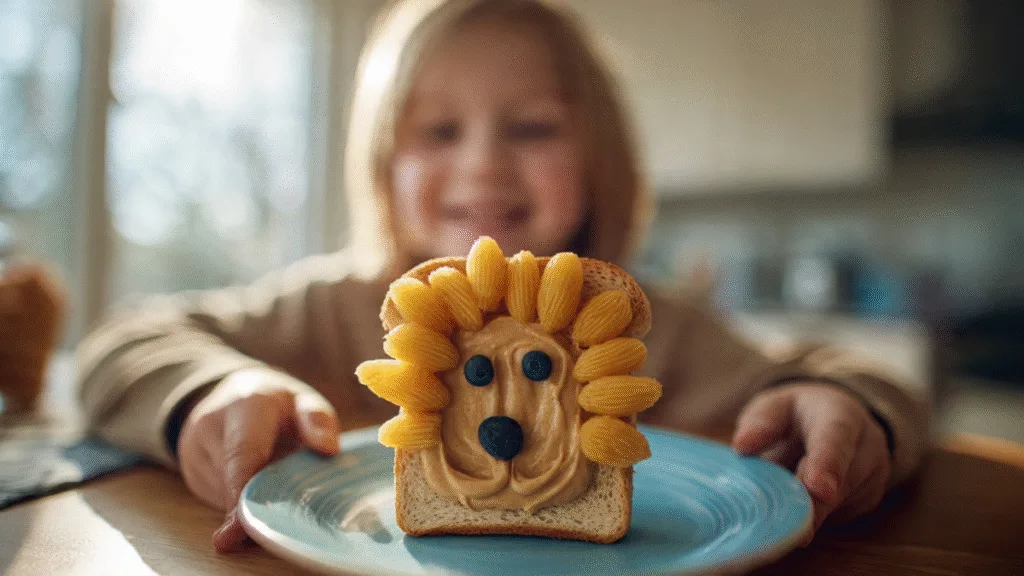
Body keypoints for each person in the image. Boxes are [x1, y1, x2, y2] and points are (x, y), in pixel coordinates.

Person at [77, 0, 929, 554]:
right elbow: (124, 338)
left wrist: (854, 416)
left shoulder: (650, 330)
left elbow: (860, 379)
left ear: (602, 162)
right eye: (439, 133)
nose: (482, 167)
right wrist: (209, 393)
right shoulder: (331, 308)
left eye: (530, 128)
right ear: (381, 166)